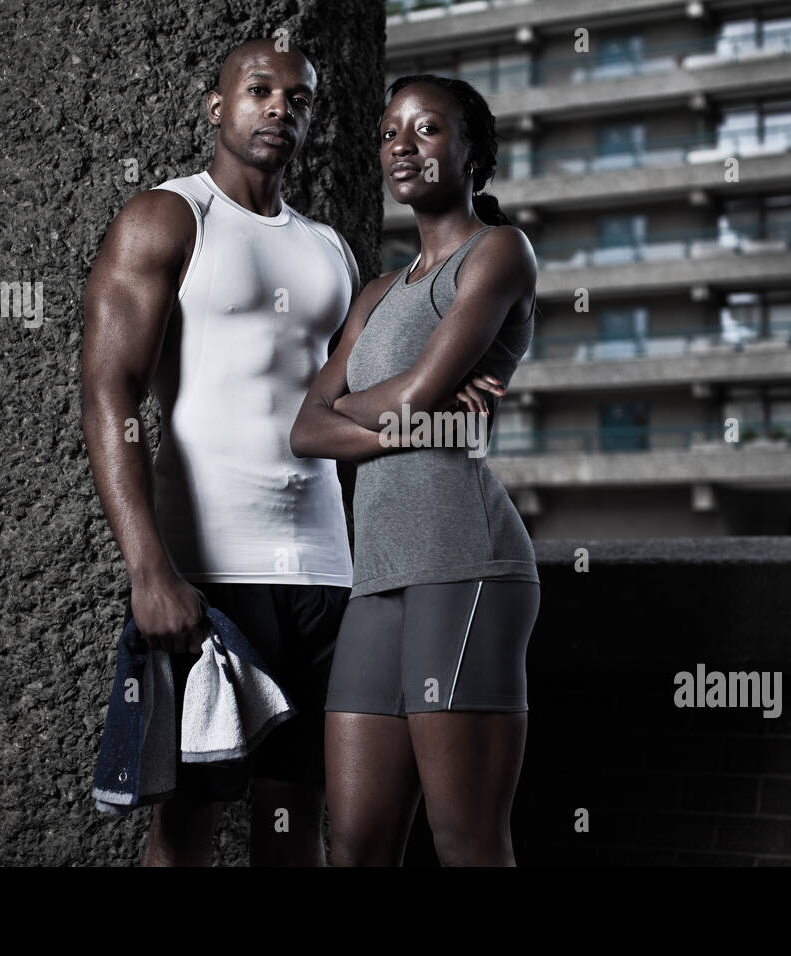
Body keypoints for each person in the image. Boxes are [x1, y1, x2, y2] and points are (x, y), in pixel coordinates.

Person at [80, 38, 360, 867]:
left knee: (296, 819)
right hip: (208, 573)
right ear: (217, 106)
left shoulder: (330, 250)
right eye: (260, 90)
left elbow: (342, 410)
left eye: (299, 99)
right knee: (185, 826)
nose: (281, 108)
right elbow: (110, 394)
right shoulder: (167, 216)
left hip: (324, 573)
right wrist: (148, 570)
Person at [290, 74, 540, 866]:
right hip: (380, 576)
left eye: (427, 130)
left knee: (464, 840)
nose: (403, 145)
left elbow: (418, 390)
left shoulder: (497, 252)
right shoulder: (375, 293)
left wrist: (376, 406)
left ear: (472, 155)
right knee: (356, 845)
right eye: (390, 130)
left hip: (464, 559)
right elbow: (304, 428)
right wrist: (406, 424)